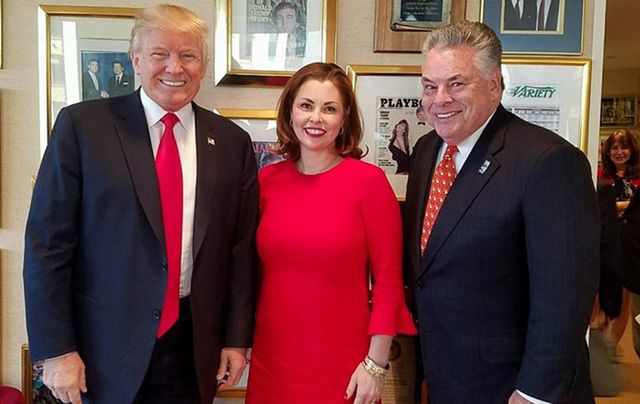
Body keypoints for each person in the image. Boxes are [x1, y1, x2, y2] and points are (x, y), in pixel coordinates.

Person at [23, 5, 258, 404]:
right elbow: (48, 246)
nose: (174, 67)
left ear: (203, 64)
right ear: (135, 59)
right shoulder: (83, 128)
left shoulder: (232, 142)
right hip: (98, 350)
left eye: (188, 55)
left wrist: (235, 340)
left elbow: (240, 251)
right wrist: (56, 350)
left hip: (191, 345)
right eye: (159, 54)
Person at [404, 20, 599, 403]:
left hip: (514, 388)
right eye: (430, 86)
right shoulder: (427, 151)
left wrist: (533, 394)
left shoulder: (549, 161)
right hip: (447, 380)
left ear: (494, 84)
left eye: (456, 84)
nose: (439, 99)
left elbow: (565, 299)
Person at [245, 62, 416, 404]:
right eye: (306, 106)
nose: (316, 118)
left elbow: (389, 281)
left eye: (330, 108)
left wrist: (376, 365)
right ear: (290, 112)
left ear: (344, 118)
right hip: (271, 362)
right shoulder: (267, 182)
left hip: (344, 367)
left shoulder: (368, 184)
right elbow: (248, 272)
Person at [597, 130, 640, 362]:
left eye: (624, 147)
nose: (619, 152)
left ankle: (609, 353)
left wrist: (617, 208)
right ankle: (605, 352)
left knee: (627, 304)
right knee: (608, 301)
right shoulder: (600, 177)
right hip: (607, 247)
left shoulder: (637, 177)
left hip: (634, 251)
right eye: (614, 147)